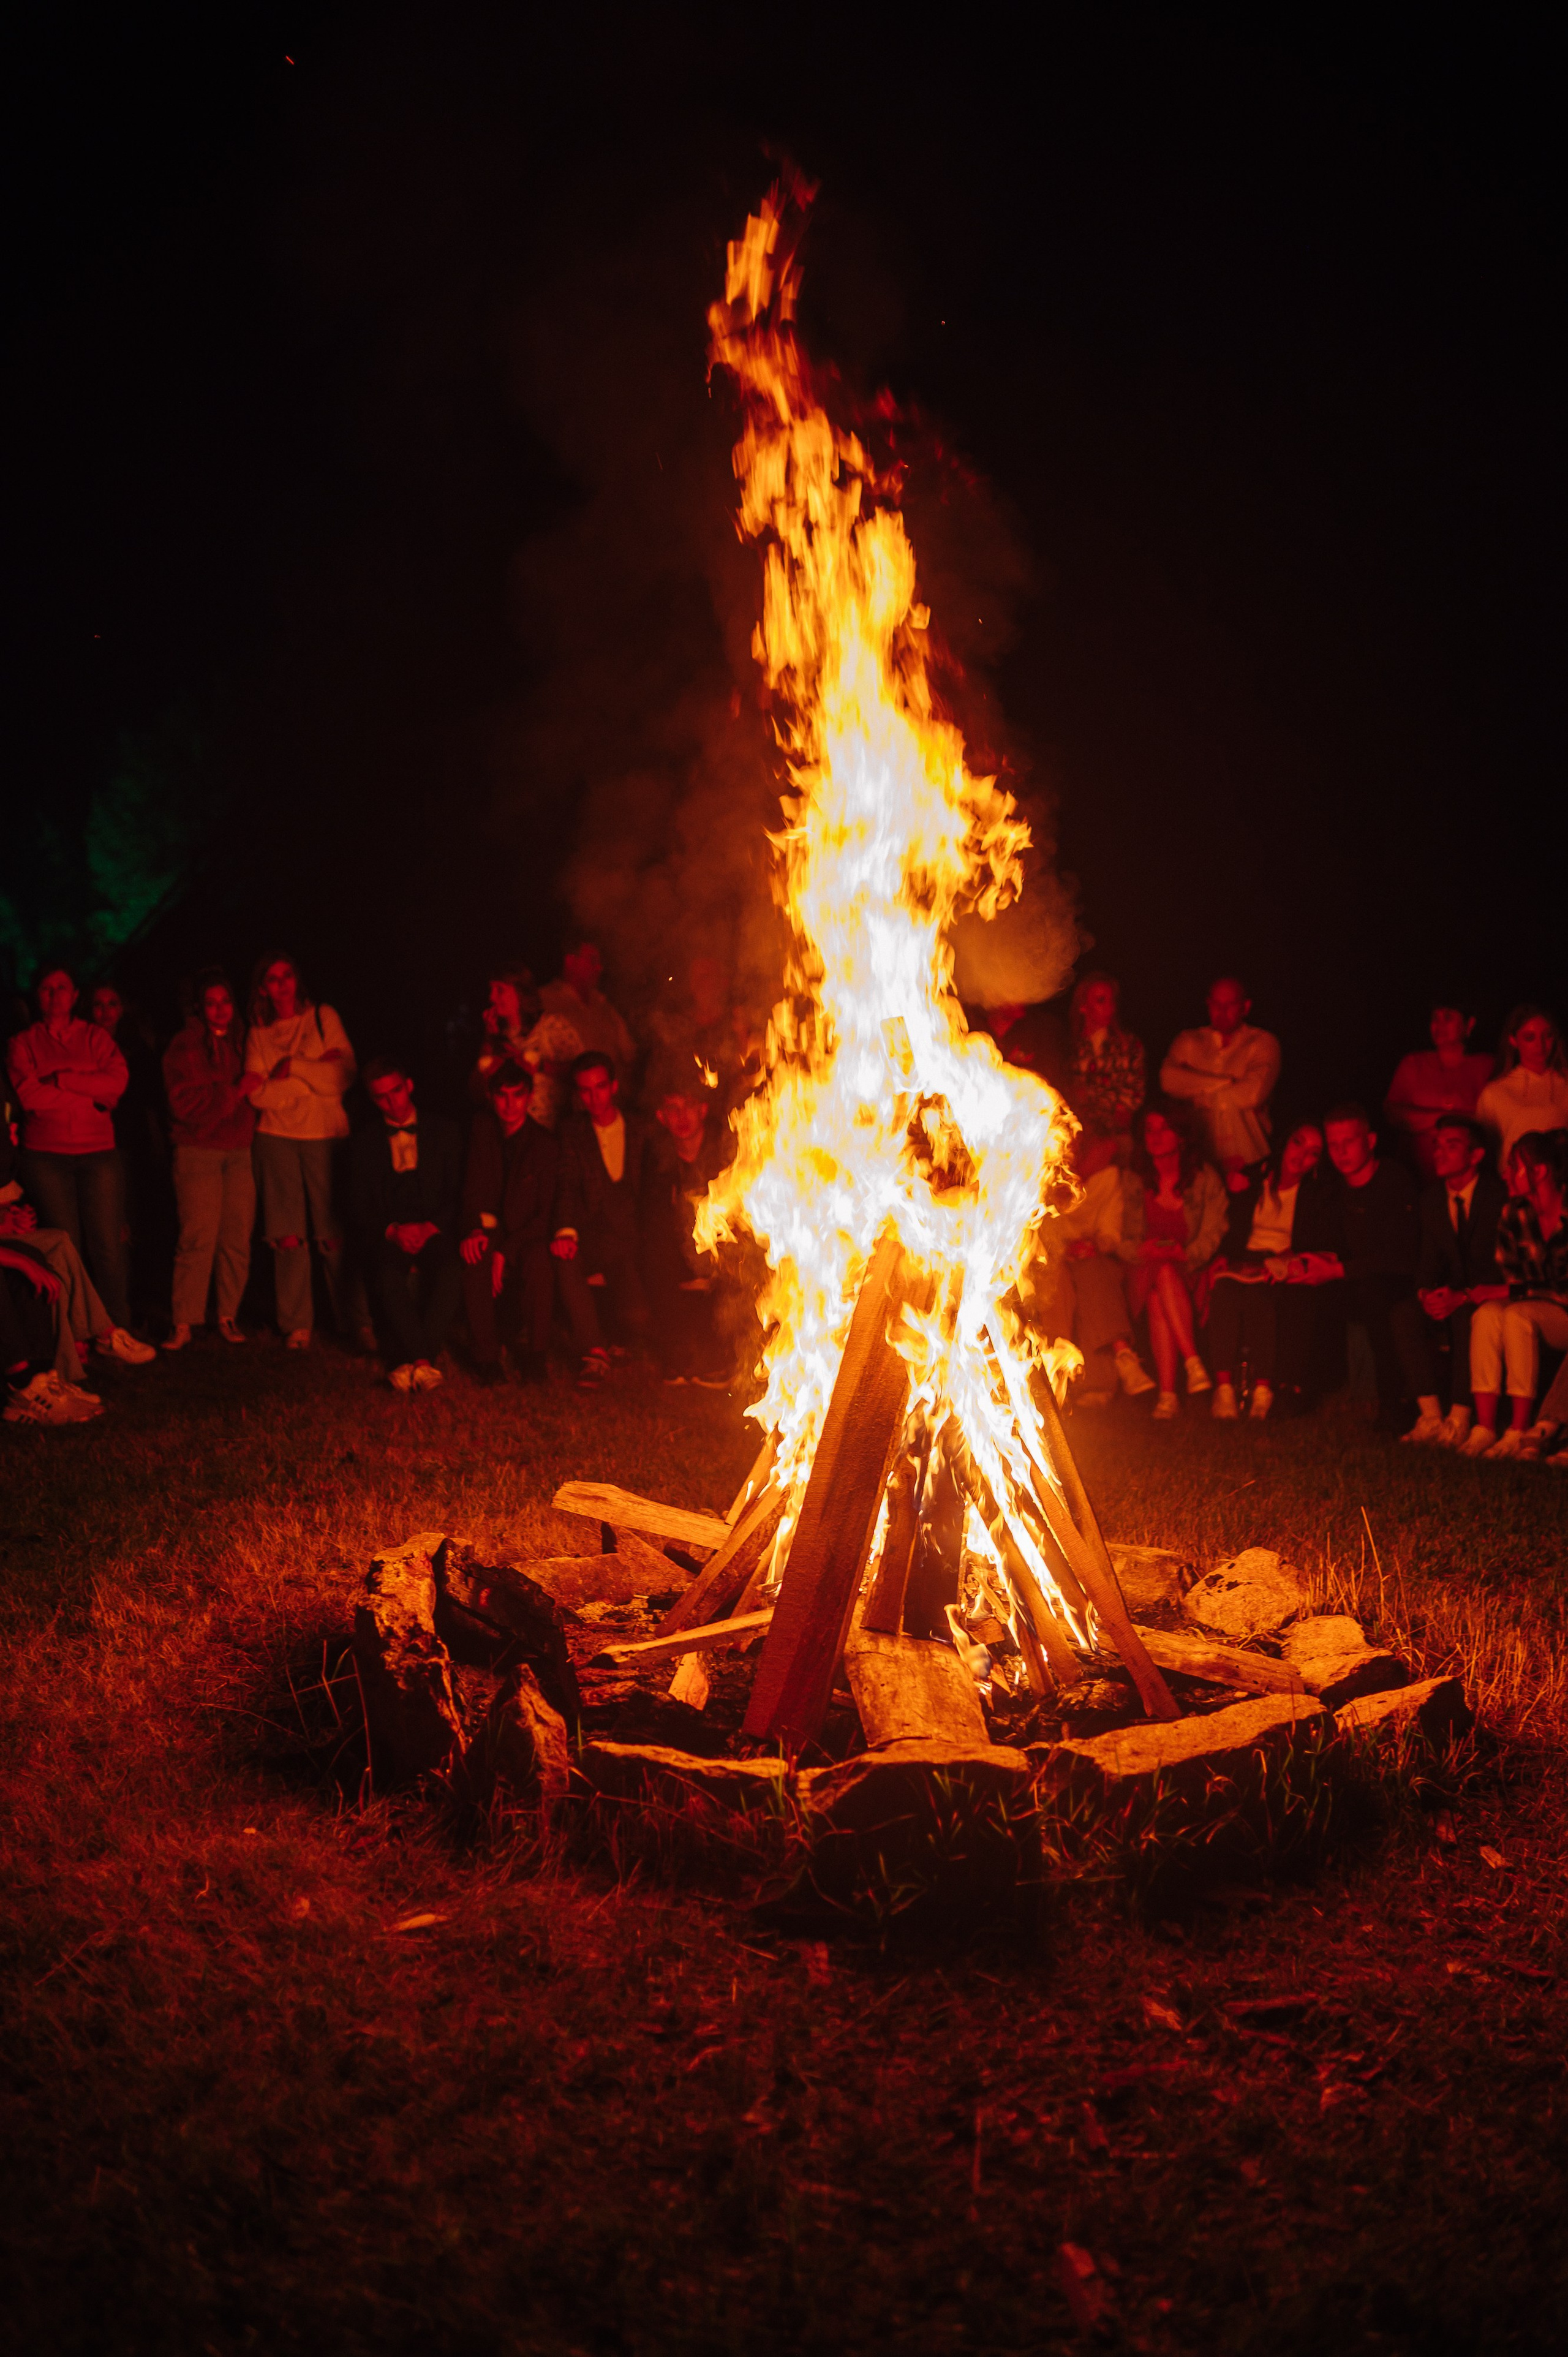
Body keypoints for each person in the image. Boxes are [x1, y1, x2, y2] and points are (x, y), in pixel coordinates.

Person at [1298, 1104, 1442, 1438]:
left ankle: (1393, 1403)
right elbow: (1325, 1240)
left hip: (1394, 1280)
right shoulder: (1334, 1188)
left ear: (1371, 1140)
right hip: (1350, 1277)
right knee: (1302, 1290)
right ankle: (1298, 1391)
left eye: (1349, 1142)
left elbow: (1401, 1256)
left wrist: (1337, 1270)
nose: (1341, 1152)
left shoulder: (1394, 1180)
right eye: (1334, 1145)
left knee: (1375, 1296)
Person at [7, 965, 134, 1331]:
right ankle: (74, 1329)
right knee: (67, 1245)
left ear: (75, 995)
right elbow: (27, 1095)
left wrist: (62, 1079)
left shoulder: (95, 1038)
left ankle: (115, 1326)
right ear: (38, 996)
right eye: (47, 988)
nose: (54, 994)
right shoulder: (23, 1043)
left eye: (62, 987)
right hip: (47, 1155)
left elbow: (116, 1083)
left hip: (98, 1152)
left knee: (107, 1244)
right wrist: (91, 1099)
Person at [244, 953, 355, 1348]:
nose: (282, 984)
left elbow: (343, 1075)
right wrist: (312, 1073)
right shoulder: (258, 1033)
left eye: (287, 976)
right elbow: (257, 1094)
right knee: (288, 1235)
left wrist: (293, 1067)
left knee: (333, 1234)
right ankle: (297, 1324)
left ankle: (351, 1319)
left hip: (324, 1134)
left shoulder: (323, 1017)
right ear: (262, 988)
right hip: (275, 1137)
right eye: (272, 979)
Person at [350, 1057, 463, 1392]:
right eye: (381, 1096)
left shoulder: (444, 1130)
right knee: (387, 1275)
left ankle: (410, 1360)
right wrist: (393, 1231)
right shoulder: (364, 1141)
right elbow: (357, 1206)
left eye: (396, 1091)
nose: (392, 1101)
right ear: (373, 1100)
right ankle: (425, 1362)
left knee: (454, 1270)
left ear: (409, 1086)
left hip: (434, 1227)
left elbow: (457, 1192)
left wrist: (430, 1227)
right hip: (392, 1230)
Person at [160, 968, 259, 1348]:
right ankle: (184, 1320)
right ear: (201, 1008)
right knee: (198, 1235)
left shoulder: (245, 1041)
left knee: (236, 1236)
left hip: (239, 1150)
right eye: (211, 1004)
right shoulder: (185, 1045)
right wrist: (233, 1092)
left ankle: (227, 1315)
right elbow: (186, 1104)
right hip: (198, 1149)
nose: (220, 1010)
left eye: (226, 1002)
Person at [1205, 1120, 1329, 1420]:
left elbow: (1311, 1240)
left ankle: (1263, 1390)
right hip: (1244, 1256)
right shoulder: (1255, 1177)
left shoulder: (1315, 1194)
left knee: (1260, 1298)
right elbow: (1233, 1227)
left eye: (1313, 1152)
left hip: (1281, 1258)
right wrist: (1224, 1256)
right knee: (1223, 1293)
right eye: (1298, 1143)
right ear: (1286, 1142)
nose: (1301, 1155)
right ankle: (1224, 1392)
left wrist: (1284, 1260)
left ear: (1318, 1162)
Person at [551, 1050, 655, 1387]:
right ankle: (593, 1351)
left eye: (599, 1088)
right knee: (564, 1258)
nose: (593, 1098)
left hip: (630, 1240)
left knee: (638, 1317)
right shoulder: (572, 1131)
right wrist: (566, 1231)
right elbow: (565, 1183)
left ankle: (623, 1340)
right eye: (584, 1091)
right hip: (591, 1234)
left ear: (613, 1087)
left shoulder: (641, 1128)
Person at [1462, 1129, 1568, 1460]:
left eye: (1514, 1166)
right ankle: (1488, 1428)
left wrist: (1523, 1289)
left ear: (1540, 1172)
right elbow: (1514, 1277)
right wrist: (1521, 1290)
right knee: (1489, 1313)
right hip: (1540, 1304)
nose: (1505, 1174)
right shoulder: (1514, 1215)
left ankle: (1526, 1428)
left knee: (1517, 1314)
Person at [1116, 1104, 1227, 1418]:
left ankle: (1168, 1396)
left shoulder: (1204, 1178)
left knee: (1158, 1295)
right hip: (1143, 1268)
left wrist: (1186, 1254)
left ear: (1181, 1136)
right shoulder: (1134, 1179)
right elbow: (1118, 1237)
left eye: (1164, 1128)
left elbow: (1214, 1230)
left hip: (1188, 1269)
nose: (1156, 1136)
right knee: (1159, 1276)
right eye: (1149, 1130)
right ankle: (1193, 1363)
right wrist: (1142, 1250)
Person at [1033, 1135, 1156, 1405]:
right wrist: (1066, 1250)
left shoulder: (1107, 1179)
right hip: (1055, 1258)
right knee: (1059, 1279)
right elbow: (1043, 1228)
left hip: (1094, 1255)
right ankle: (1107, 1358)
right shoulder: (1044, 1180)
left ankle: (1101, 1380)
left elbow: (1110, 1227)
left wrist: (1096, 1244)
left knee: (1093, 1273)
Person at [460, 1058, 559, 1386]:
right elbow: (471, 1189)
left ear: (529, 1096)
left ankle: (535, 1356)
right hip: (490, 1228)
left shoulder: (544, 1144)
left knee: (538, 1262)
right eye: (502, 1096)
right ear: (491, 1097)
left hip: (526, 1235)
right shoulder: (481, 1131)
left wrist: (505, 1250)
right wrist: (474, 1229)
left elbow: (543, 1215)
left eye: (517, 1095)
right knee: (475, 1254)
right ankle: (485, 1357)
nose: (510, 1104)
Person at [1412, 1113, 1508, 1446]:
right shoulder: (1431, 1200)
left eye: (1451, 1146)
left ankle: (1461, 1416)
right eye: (1436, 1145)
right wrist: (1427, 1293)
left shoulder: (1498, 1195)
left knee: (1470, 1316)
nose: (1439, 1153)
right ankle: (1430, 1415)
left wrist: (1462, 1295)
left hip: (1488, 1294)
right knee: (1403, 1313)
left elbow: (1500, 1267)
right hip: (1452, 1292)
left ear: (1476, 1155)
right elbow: (1428, 1259)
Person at [645, 1071, 735, 1386]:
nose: (682, 1116)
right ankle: (680, 1358)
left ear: (703, 1110)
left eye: (689, 1106)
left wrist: (710, 1266)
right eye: (673, 1109)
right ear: (662, 1117)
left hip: (724, 1254)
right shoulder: (657, 1160)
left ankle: (718, 1359)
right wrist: (683, 1267)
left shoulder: (727, 1152)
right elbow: (654, 1222)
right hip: (675, 1260)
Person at [1158, 976, 1281, 1183]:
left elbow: (1251, 1095)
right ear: (1208, 1004)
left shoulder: (1262, 1043)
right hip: (1198, 1158)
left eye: (1230, 1004)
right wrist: (1229, 1083)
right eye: (1216, 1004)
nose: (1222, 1011)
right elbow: (1168, 1081)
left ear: (1245, 1006)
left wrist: (1195, 1088)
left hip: (1248, 1157)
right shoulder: (1189, 1041)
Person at [1384, 1004, 1495, 1179]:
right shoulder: (1414, 1064)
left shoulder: (1485, 1066)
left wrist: (1422, 1121)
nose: (1439, 1025)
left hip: (1466, 1181)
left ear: (1470, 1024)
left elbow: (1490, 1123)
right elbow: (1394, 1115)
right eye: (1435, 1018)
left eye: (1448, 1017)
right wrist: (1457, 1120)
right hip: (1416, 1178)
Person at [470, 966, 582, 1134]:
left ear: (521, 993)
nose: (492, 998)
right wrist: (489, 1040)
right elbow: (475, 1092)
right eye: (491, 991)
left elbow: (581, 1073)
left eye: (500, 991)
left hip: (551, 1133)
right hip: (510, 1136)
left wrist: (538, 1065)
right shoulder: (497, 1037)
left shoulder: (553, 1027)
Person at [1063, 973, 1145, 1172]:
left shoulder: (1128, 1047)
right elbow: (1066, 1095)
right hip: (1075, 1135)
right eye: (1101, 1000)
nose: (1110, 1007)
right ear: (1083, 1006)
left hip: (1114, 1137)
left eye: (1111, 1000)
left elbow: (1129, 1103)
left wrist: (1089, 1096)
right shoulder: (1068, 1048)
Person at [1476, 1005, 1568, 1174]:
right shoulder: (1496, 1092)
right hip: (1514, 1185)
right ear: (1513, 1040)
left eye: (1547, 1036)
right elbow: (1486, 1153)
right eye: (1529, 1037)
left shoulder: (1565, 1085)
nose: (1540, 1045)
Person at [539, 943, 636, 1085]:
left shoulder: (604, 1006)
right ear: (570, 961)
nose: (599, 967)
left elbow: (629, 1055)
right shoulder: (546, 1002)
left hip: (614, 1101)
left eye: (599, 962)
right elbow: (532, 1061)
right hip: (568, 1102)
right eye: (592, 961)